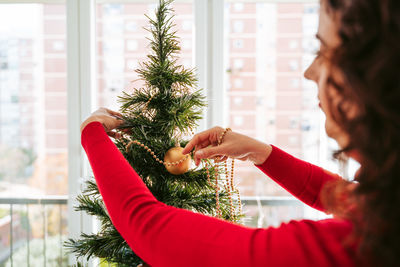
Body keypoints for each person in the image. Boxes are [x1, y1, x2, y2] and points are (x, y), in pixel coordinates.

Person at [80, 0, 400, 266]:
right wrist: (262, 153)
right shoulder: (384, 210)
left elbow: (151, 231)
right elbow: (343, 197)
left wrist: (92, 133)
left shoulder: (353, 247)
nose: (309, 71)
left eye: (324, 50)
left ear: (374, 73)